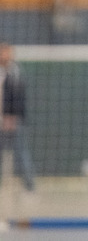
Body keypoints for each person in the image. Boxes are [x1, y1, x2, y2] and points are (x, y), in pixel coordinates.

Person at [0, 43, 35, 192]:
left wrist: (12, 117)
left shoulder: (16, 72)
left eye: (6, 52)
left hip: (15, 120)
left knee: (21, 153)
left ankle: (30, 186)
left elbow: (19, 98)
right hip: (1, 119)